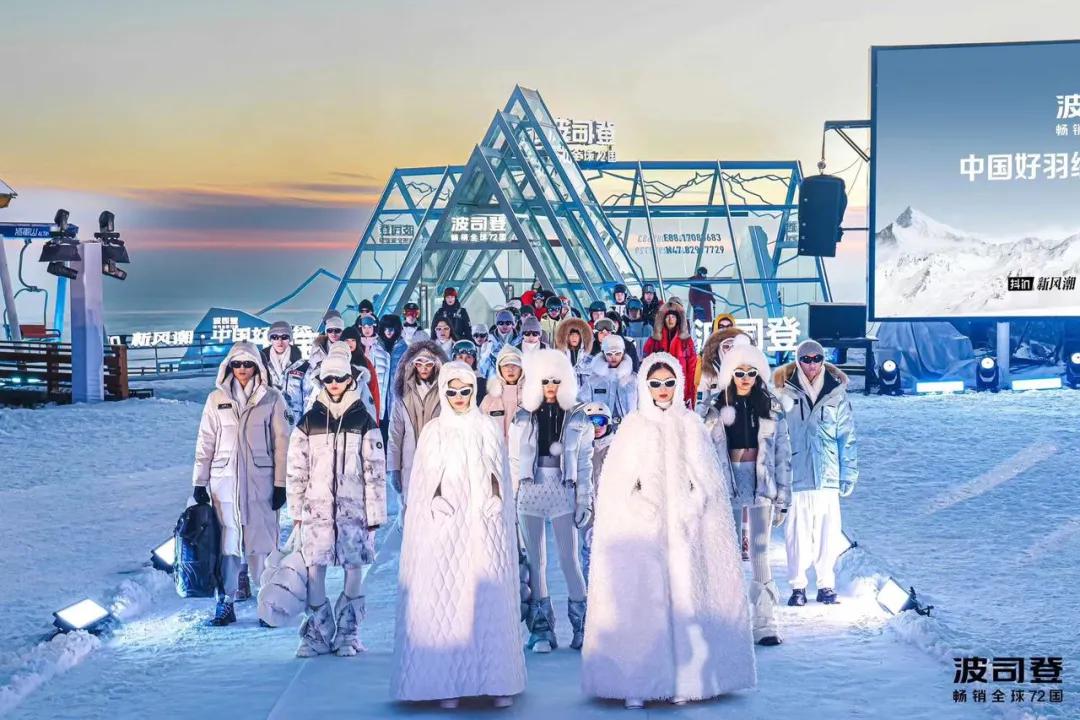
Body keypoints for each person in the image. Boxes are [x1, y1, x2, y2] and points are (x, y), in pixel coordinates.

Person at [581, 353, 756, 709]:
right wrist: (639, 507)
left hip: (685, 532)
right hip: (642, 533)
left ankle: (687, 679)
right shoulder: (632, 427)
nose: (662, 390)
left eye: (669, 383)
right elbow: (615, 486)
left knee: (687, 600)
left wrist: (693, 506)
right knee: (641, 604)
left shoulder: (691, 425)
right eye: (656, 384)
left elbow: (708, 480)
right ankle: (636, 681)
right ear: (645, 386)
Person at [391, 361, 525, 709]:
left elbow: (500, 473)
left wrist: (496, 503)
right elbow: (423, 482)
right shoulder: (434, 431)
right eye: (451, 391)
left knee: (489, 600)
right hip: (446, 527)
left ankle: (496, 679)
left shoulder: (487, 429)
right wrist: (437, 506)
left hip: (484, 526)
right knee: (447, 601)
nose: (459, 397)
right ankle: (446, 681)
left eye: (465, 391)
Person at [287, 342, 386, 657]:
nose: (334, 385)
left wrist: (376, 515)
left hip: (354, 510)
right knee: (314, 569)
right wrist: (296, 512)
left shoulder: (364, 420)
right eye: (328, 379)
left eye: (339, 379)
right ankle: (317, 632)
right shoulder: (308, 422)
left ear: (350, 380)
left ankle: (348, 632)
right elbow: (296, 470)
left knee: (353, 568)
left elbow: (375, 472)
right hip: (316, 510)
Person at [192, 341, 290, 626]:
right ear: (229, 366)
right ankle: (226, 602)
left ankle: (268, 603)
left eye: (248, 364)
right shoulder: (216, 400)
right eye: (237, 364)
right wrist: (199, 480)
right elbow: (205, 442)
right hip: (225, 484)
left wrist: (281, 483)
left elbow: (282, 443)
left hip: (261, 483)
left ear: (257, 366)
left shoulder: (272, 398)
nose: (243, 370)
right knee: (227, 546)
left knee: (262, 546)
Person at [704, 335, 791, 645]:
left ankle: (766, 621)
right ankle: (728, 619)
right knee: (725, 554)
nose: (744, 379)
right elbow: (703, 453)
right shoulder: (715, 407)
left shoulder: (771, 406)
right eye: (738, 373)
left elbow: (782, 454)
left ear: (759, 373)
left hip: (760, 484)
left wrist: (783, 498)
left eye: (750, 372)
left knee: (759, 552)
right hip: (725, 486)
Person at [509, 349, 593, 653]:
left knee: (570, 560)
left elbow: (584, 462)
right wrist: (511, 496)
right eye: (544, 381)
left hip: (562, 490)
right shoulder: (522, 416)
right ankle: (542, 629)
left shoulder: (579, 416)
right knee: (536, 562)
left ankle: (583, 626)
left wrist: (585, 499)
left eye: (556, 380)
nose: (550, 387)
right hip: (530, 492)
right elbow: (513, 460)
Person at [773, 339, 859, 607]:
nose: (812, 364)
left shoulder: (836, 393)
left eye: (816, 358)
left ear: (823, 360)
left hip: (827, 473)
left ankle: (826, 584)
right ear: (798, 361)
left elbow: (847, 436)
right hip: (796, 474)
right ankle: (798, 586)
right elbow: (775, 436)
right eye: (806, 359)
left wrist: (848, 474)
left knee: (828, 533)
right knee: (796, 533)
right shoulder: (785, 393)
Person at [387, 340, 449, 508]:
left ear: (436, 365)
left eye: (429, 364)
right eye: (419, 363)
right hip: (409, 462)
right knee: (410, 511)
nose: (424, 368)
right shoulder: (402, 397)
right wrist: (394, 469)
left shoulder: (445, 395)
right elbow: (395, 435)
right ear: (412, 365)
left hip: (437, 462)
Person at [578, 401, 614, 583]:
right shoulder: (579, 450)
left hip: (611, 512)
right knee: (590, 554)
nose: (597, 427)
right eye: (592, 421)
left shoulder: (616, 448)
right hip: (588, 513)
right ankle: (590, 596)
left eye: (601, 421)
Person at [643, 300, 698, 408]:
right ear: (662, 319)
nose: (670, 319)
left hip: (681, 393)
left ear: (678, 319)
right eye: (668, 317)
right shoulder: (653, 341)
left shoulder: (687, 342)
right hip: (658, 392)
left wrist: (690, 395)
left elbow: (692, 370)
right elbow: (644, 368)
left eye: (673, 317)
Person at [580, 334, 637, 429]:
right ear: (603, 353)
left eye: (617, 353)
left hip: (629, 433)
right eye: (609, 354)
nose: (613, 358)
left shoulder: (633, 380)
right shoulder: (593, 381)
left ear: (623, 353)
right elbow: (582, 406)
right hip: (600, 433)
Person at [696, 326, 750, 417]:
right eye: (726, 346)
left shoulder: (749, 370)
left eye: (733, 346)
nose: (730, 349)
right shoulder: (709, 372)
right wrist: (699, 422)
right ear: (719, 349)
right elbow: (702, 402)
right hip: (717, 417)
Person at [260, 320, 307, 425]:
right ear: (270, 339)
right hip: (268, 418)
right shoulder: (260, 364)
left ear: (290, 339)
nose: (279, 341)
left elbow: (308, 397)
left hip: (295, 422)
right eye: (275, 337)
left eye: (284, 337)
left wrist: (306, 423)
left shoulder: (302, 365)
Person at [479, 344, 524, 438]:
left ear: (522, 369)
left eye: (515, 365)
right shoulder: (489, 400)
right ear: (499, 368)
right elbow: (480, 432)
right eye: (506, 365)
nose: (510, 369)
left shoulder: (530, 399)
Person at [357, 316, 391, 417]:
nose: (367, 330)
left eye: (370, 327)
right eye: (364, 327)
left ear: (374, 327)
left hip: (376, 389)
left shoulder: (380, 347)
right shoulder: (356, 346)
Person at [554, 316, 594, 391]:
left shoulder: (590, 361)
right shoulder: (558, 359)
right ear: (566, 337)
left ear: (582, 337)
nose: (574, 337)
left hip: (585, 400)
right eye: (571, 334)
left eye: (577, 335)